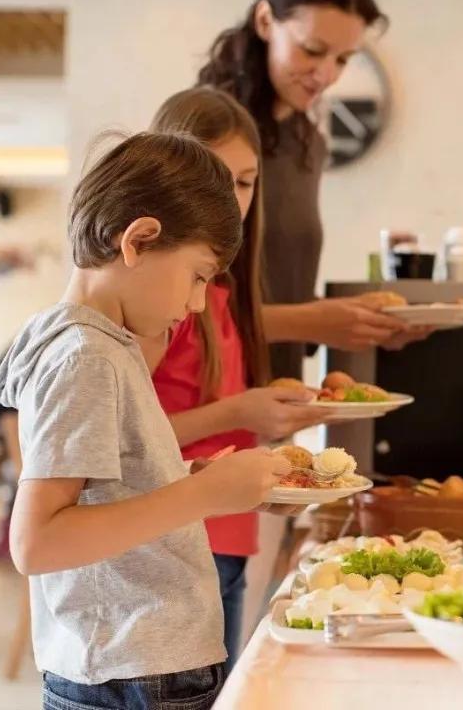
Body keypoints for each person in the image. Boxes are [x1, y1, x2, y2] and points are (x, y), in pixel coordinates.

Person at [0, 131, 292, 710]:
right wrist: (199, 496)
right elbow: (37, 541)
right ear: (140, 240)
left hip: (135, 664)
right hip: (133, 670)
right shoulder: (86, 356)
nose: (199, 303)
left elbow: (101, 492)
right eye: (199, 275)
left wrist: (191, 478)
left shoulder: (99, 343)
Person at [144, 86, 328, 670]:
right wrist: (241, 412)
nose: (231, 200)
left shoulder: (218, 290)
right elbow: (126, 442)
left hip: (227, 537)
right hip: (173, 547)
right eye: (213, 179)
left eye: (245, 182)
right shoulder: (164, 300)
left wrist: (270, 420)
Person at [198, 0, 427, 381]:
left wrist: (358, 322)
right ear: (266, 20)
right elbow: (183, 314)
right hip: (212, 397)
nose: (325, 75)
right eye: (313, 50)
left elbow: (279, 298)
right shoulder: (211, 134)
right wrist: (313, 322)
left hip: (278, 396)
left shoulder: (308, 143)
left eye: (342, 60)